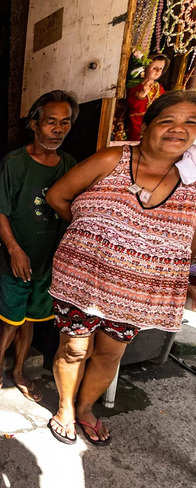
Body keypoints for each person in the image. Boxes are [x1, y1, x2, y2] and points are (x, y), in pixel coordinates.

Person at [45, 90, 196, 445]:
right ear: (147, 126)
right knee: (75, 349)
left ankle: (85, 409)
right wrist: (91, 233)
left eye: (190, 122)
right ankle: (65, 408)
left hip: (137, 293)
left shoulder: (192, 182)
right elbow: (57, 196)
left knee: (110, 354)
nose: (179, 130)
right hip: (81, 279)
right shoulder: (113, 160)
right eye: (168, 121)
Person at [0, 90, 78, 401]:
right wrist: (14, 249)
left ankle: (19, 371)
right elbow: (0, 210)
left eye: (65, 123)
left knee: (32, 321)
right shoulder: (15, 163)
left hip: (49, 261)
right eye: (51, 122)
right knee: (9, 319)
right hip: (17, 257)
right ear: (35, 124)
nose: (58, 129)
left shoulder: (69, 165)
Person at [126, 54, 169, 141]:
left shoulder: (159, 88)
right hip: (136, 123)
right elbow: (133, 106)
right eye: (154, 68)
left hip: (154, 123)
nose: (158, 71)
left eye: (160, 68)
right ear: (145, 68)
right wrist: (142, 94)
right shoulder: (135, 85)